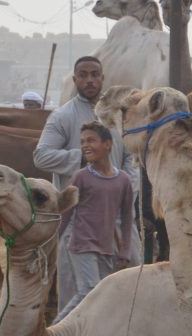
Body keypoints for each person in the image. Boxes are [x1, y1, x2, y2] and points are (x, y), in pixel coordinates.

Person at [34, 56, 139, 306]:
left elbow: (130, 159)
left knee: (129, 284)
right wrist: (80, 157)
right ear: (75, 80)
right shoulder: (63, 116)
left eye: (94, 74)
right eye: (83, 75)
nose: (89, 80)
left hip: (118, 218)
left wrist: (123, 193)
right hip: (80, 221)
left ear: (103, 79)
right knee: (78, 295)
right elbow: (41, 156)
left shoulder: (119, 116)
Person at [54, 122, 133, 322]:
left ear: (107, 144)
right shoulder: (80, 177)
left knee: (103, 295)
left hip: (106, 247)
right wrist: (54, 242)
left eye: (91, 140)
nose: (85, 145)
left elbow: (126, 219)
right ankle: (55, 330)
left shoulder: (123, 180)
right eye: (82, 142)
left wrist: (124, 250)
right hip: (81, 244)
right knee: (89, 289)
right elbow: (66, 214)